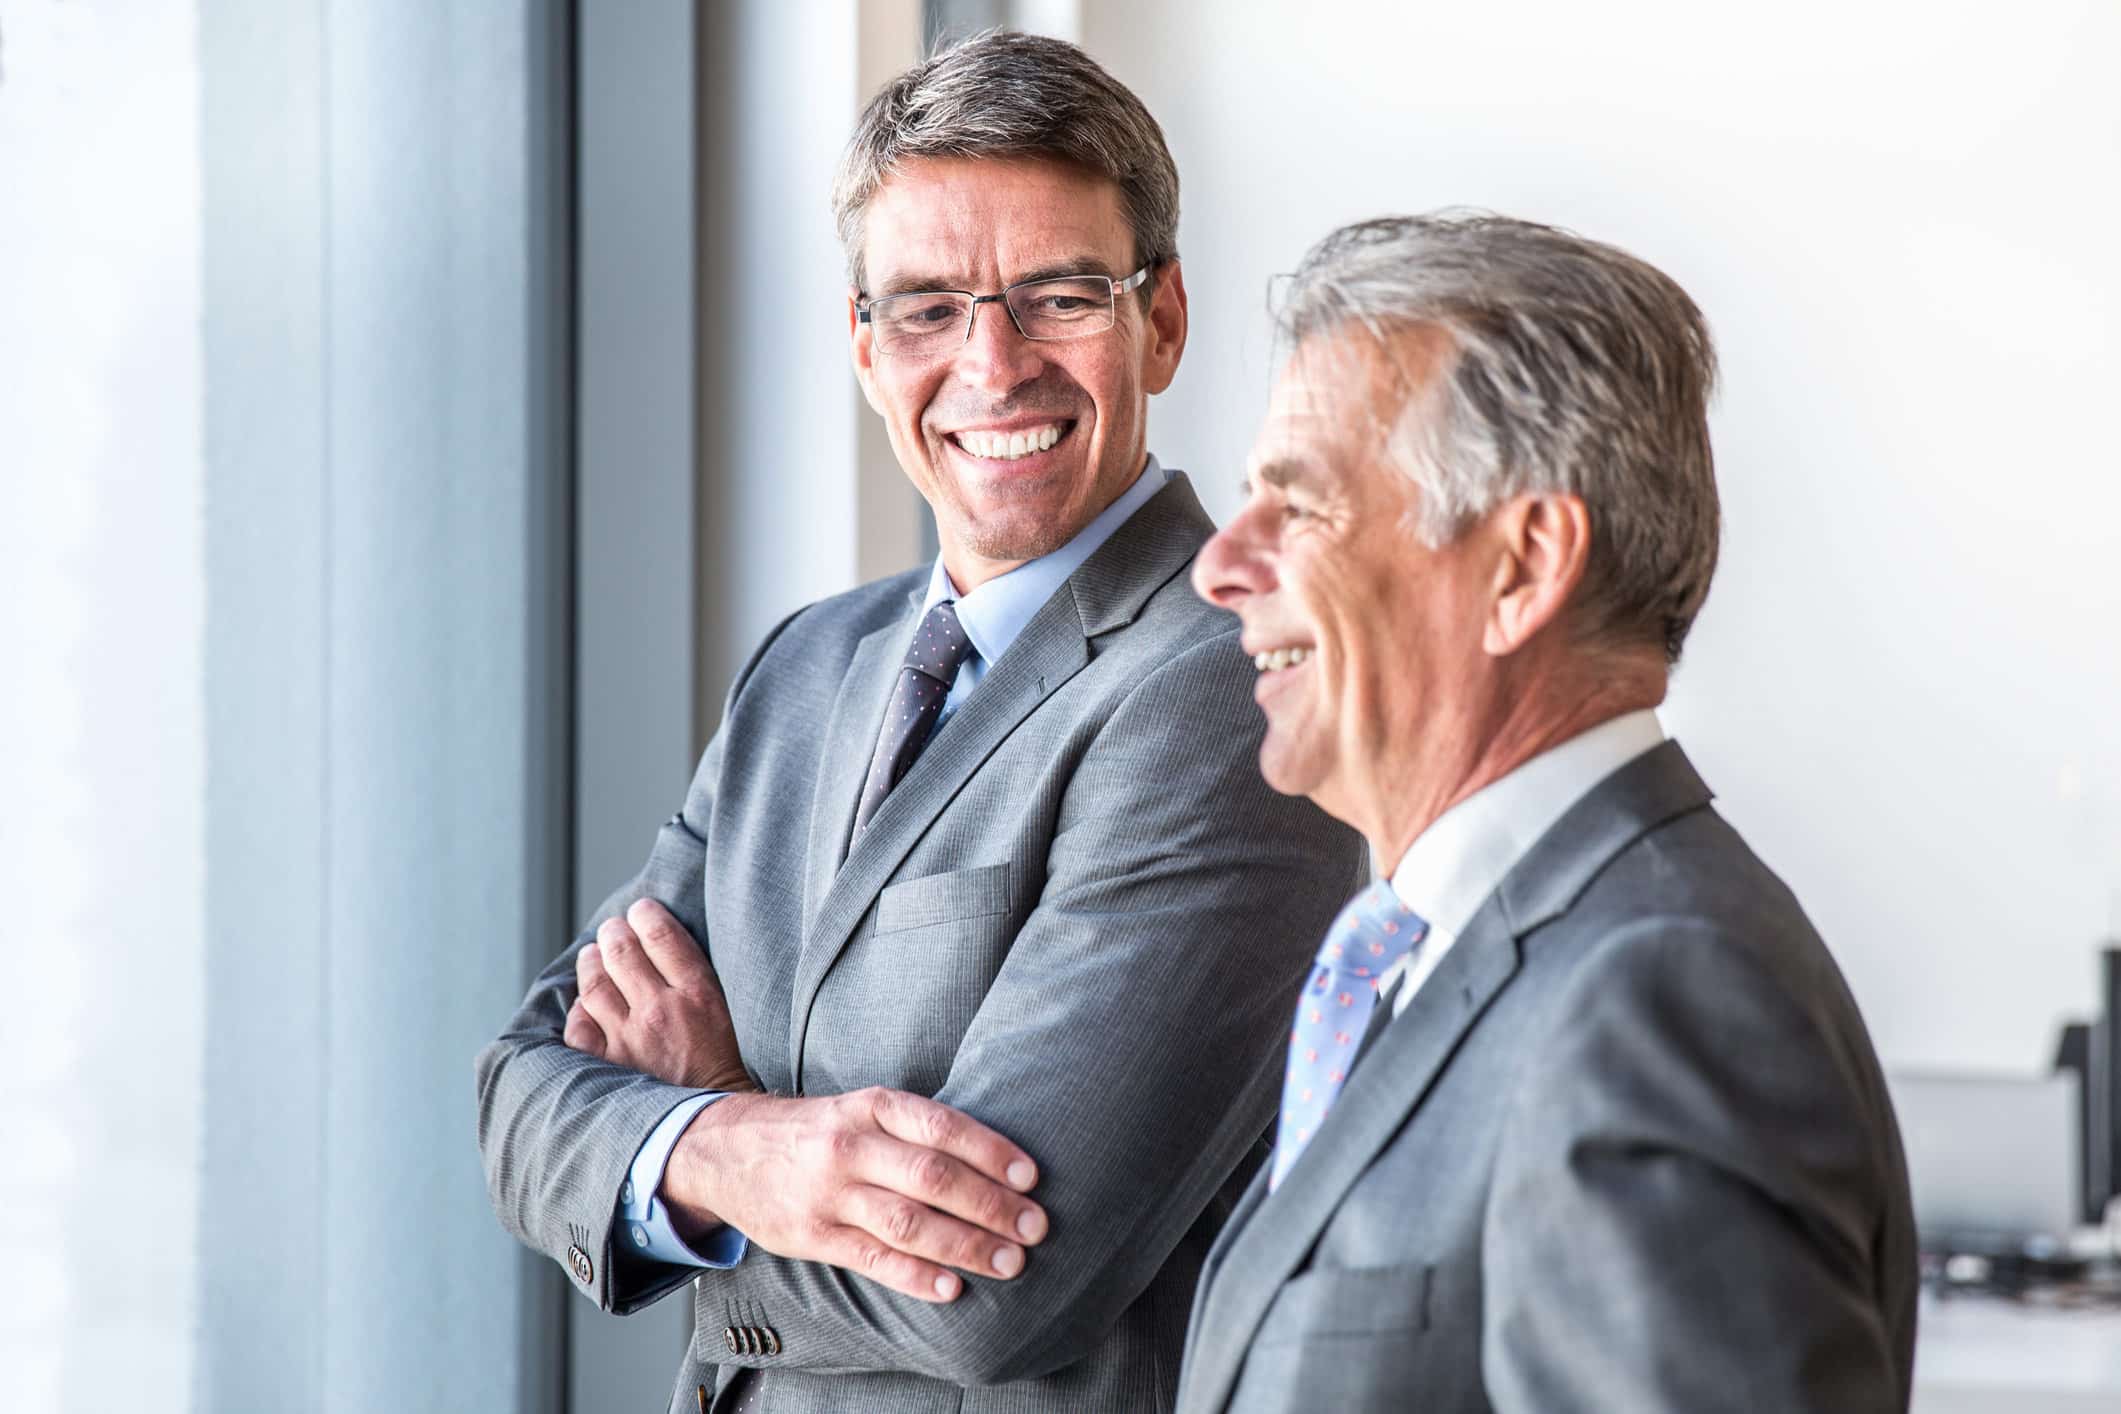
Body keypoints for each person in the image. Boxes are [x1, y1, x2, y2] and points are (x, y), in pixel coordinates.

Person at [474, 31, 1365, 1414]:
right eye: (927, 306)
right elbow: (520, 1088)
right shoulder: (805, 667)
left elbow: (994, 1293)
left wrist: (676, 1143)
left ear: (1165, 319)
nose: (993, 365)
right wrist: (735, 1145)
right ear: (863, 347)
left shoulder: (1232, 683)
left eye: (1059, 294)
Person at [1175, 213, 1918, 1413]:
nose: (1220, 563)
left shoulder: (1655, 1000)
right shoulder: (1451, 957)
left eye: (1299, 506)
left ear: (1523, 566)